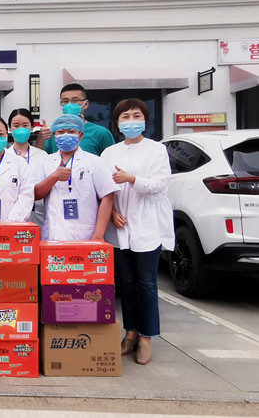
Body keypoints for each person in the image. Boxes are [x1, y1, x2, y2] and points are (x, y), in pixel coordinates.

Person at [101, 98, 174, 365]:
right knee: (127, 282)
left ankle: (147, 337)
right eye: (125, 117)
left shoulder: (156, 150)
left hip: (147, 224)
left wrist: (132, 179)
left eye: (136, 116)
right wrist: (111, 213)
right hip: (120, 226)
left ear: (145, 120)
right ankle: (130, 333)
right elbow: (102, 189)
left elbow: (161, 183)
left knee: (147, 283)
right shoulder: (110, 153)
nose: (131, 121)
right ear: (117, 122)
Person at [34, 114, 118, 241]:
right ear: (54, 135)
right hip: (52, 234)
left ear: (81, 135)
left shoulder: (95, 162)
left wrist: (99, 234)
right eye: (61, 132)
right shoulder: (45, 162)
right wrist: (54, 177)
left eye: (71, 132)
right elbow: (36, 194)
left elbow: (107, 196)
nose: (66, 135)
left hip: (85, 234)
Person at [36, 83, 115, 156]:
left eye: (75, 101)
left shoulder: (100, 133)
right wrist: (41, 139)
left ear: (86, 104)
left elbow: (111, 159)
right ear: (61, 104)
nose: (69, 104)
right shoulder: (53, 132)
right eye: (65, 101)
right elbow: (38, 159)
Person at [7, 108, 48, 225]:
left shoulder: (42, 156)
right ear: (10, 128)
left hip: (37, 215)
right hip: (10, 215)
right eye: (16, 126)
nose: (21, 129)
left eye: (25, 125)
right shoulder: (4, 156)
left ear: (32, 127)